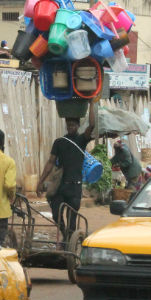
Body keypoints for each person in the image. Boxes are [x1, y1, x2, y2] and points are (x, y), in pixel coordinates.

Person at [37, 100, 95, 236]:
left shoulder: (82, 140)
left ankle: (69, 241)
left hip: (75, 188)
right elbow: (50, 163)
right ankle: (65, 235)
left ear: (78, 126)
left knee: (72, 220)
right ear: (66, 126)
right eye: (68, 125)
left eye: (73, 125)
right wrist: (40, 182)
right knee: (56, 215)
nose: (70, 127)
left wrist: (91, 103)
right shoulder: (59, 142)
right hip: (61, 186)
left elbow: (92, 125)